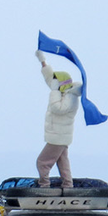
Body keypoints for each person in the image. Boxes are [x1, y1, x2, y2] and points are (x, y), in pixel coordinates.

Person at [35, 49, 81, 189]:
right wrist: (42, 60)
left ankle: (44, 187)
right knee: (63, 163)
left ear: (61, 85)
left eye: (56, 83)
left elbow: (58, 108)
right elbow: (50, 78)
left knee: (42, 162)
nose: (53, 84)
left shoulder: (71, 97)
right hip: (60, 137)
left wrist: (55, 90)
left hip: (58, 137)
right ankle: (68, 186)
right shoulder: (63, 91)